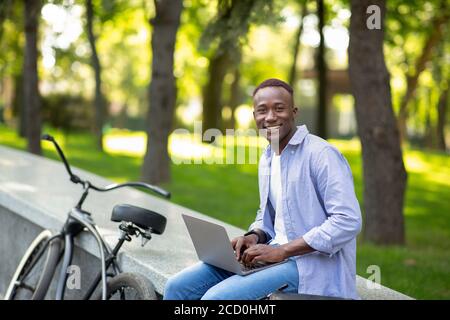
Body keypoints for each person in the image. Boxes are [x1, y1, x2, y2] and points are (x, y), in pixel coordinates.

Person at [163, 78, 362, 300]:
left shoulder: (321, 154)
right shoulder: (268, 157)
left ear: (294, 111)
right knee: (176, 287)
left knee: (217, 299)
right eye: (262, 110)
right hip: (273, 254)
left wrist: (282, 251)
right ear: (254, 116)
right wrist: (254, 237)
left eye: (279, 108)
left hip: (311, 265)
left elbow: (347, 220)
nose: (270, 117)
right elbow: (269, 216)